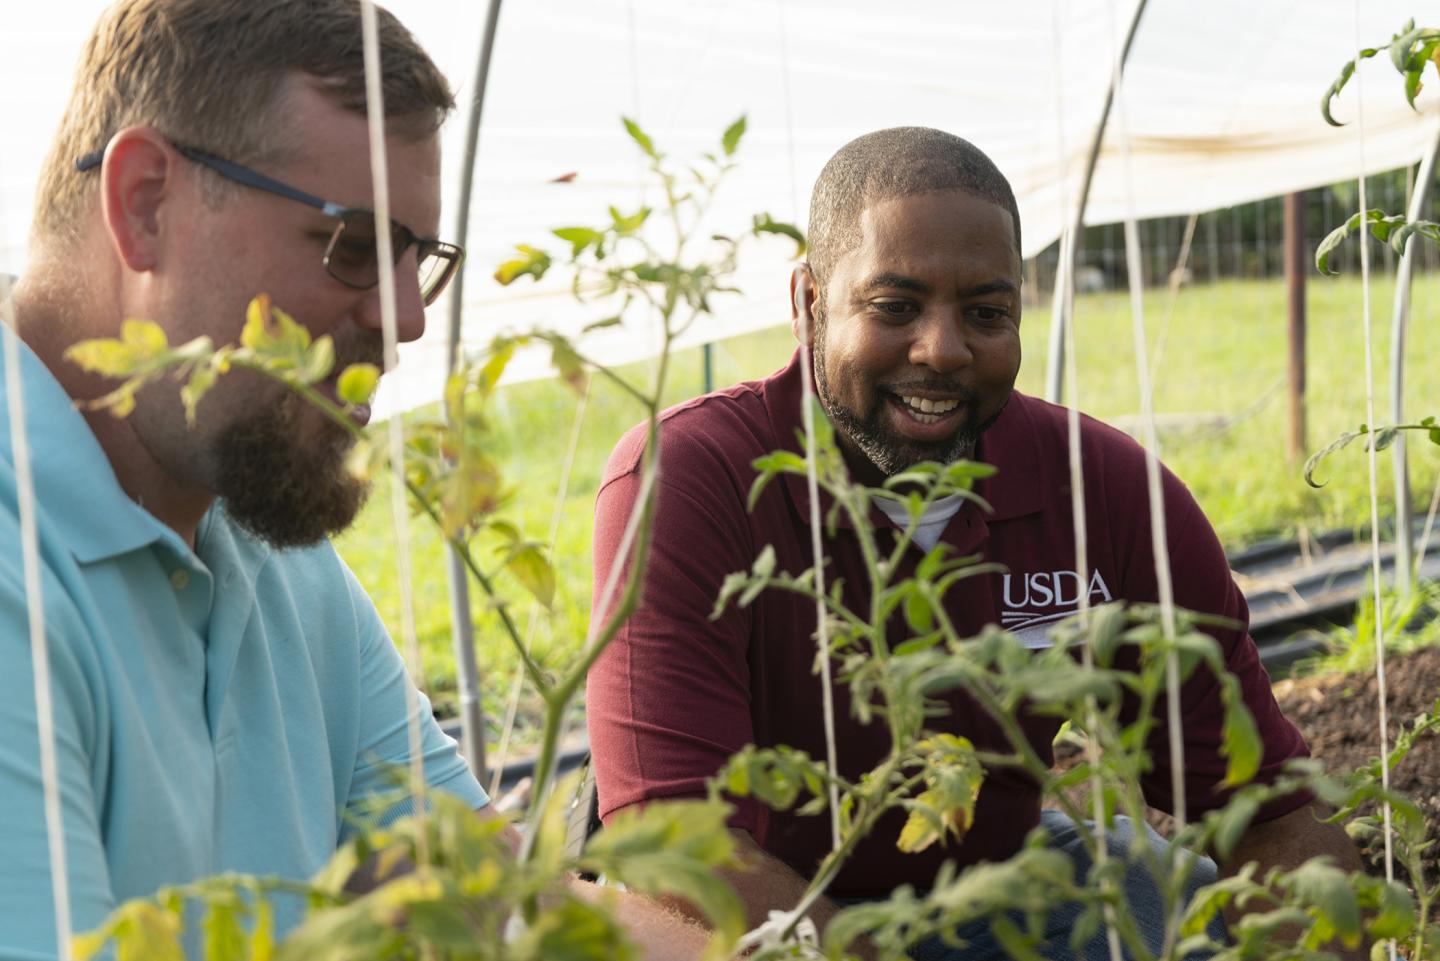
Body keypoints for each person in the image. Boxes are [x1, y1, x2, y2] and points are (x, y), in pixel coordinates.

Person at [0, 2, 706, 958]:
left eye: (422, 260)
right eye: (354, 246)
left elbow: (502, 904)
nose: (407, 318)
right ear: (145, 203)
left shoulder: (259, 539)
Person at [586, 127, 1363, 960]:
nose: (943, 350)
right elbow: (679, 847)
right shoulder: (689, 480)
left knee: (1185, 911)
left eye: (986, 313)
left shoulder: (1102, 487)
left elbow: (1269, 807)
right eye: (895, 307)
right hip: (753, 915)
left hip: (993, 880)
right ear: (809, 303)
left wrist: (1327, 933)